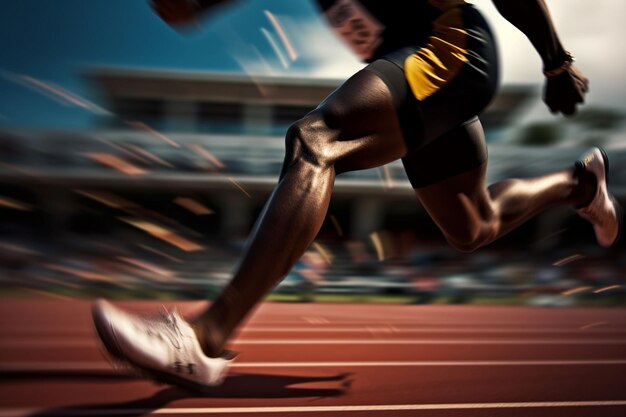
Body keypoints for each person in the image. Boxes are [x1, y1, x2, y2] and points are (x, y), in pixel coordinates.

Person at [93, 0, 622, 391]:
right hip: (417, 71)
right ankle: (579, 185)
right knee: (472, 226)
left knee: (316, 141)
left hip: (450, 48)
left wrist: (555, 60)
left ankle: (206, 336)